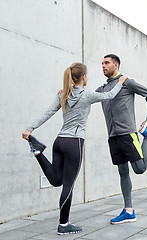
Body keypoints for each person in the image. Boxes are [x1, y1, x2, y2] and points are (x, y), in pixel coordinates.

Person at [22, 62, 127, 235]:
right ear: (84, 77)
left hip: (60, 141)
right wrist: (121, 81)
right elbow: (109, 95)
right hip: (74, 143)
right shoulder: (86, 95)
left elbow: (47, 113)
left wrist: (30, 129)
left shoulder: (63, 94)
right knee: (68, 186)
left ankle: (38, 152)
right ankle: (64, 224)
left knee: (56, 180)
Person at [96, 54, 147, 224]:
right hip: (113, 136)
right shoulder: (102, 89)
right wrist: (68, 91)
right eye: (102, 63)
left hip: (128, 134)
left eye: (106, 63)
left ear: (116, 65)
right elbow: (86, 96)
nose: (103, 66)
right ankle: (129, 211)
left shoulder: (127, 82)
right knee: (122, 172)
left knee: (140, 168)